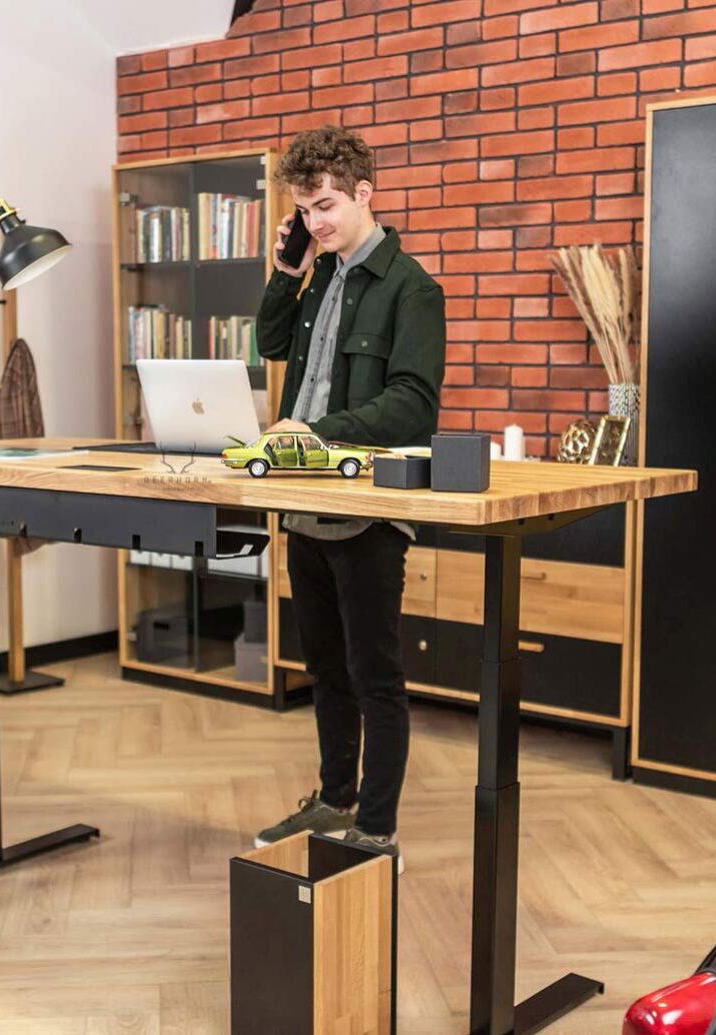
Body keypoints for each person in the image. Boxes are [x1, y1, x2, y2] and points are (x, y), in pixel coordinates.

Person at [251, 125, 446, 871]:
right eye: (304, 211)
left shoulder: (411, 288)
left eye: (326, 205)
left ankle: (377, 822)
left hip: (368, 509)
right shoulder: (318, 277)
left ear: (365, 193)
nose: (316, 222)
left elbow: (412, 407)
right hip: (306, 504)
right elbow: (269, 345)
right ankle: (333, 798)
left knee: (374, 674)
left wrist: (318, 430)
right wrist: (284, 269)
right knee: (324, 669)